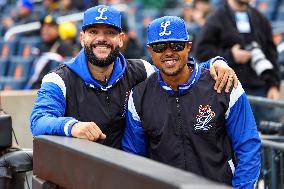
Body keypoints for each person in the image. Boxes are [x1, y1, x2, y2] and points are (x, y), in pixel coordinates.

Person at [30, 5, 238, 149]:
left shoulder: (141, 70)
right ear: (82, 37)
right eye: (93, 31)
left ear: (121, 39)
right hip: (79, 177)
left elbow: (178, 73)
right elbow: (38, 121)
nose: (101, 39)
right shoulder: (59, 79)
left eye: (110, 33)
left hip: (126, 174)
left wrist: (214, 63)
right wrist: (71, 126)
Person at [122, 16, 261, 188]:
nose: (168, 52)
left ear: (188, 46)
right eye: (160, 46)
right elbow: (134, 157)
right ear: (150, 50)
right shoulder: (138, 96)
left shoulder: (223, 84)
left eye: (176, 45)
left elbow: (248, 146)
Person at [192, 0, 281, 125]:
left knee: (269, 138)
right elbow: (201, 51)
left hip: (261, 90)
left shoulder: (260, 18)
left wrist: (273, 84)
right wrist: (231, 55)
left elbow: (271, 53)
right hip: (230, 91)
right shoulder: (216, 18)